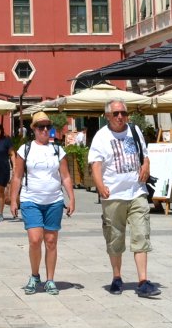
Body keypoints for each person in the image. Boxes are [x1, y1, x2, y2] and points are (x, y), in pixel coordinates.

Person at [89, 101, 161, 298]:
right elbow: (96, 165)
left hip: (137, 192)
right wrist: (100, 185)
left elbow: (144, 154)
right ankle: (117, 277)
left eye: (123, 113)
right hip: (113, 195)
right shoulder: (101, 137)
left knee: (141, 234)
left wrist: (146, 165)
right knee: (115, 237)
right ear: (107, 116)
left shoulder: (134, 130)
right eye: (116, 113)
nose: (120, 116)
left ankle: (143, 281)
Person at [10, 115, 74, 294]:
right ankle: (34, 275)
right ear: (34, 129)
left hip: (54, 201)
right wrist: (13, 200)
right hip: (31, 200)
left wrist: (71, 198)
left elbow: (65, 176)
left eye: (47, 126)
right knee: (35, 239)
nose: (45, 130)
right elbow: (17, 176)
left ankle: (50, 280)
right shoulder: (26, 149)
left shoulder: (57, 150)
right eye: (40, 127)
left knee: (51, 241)